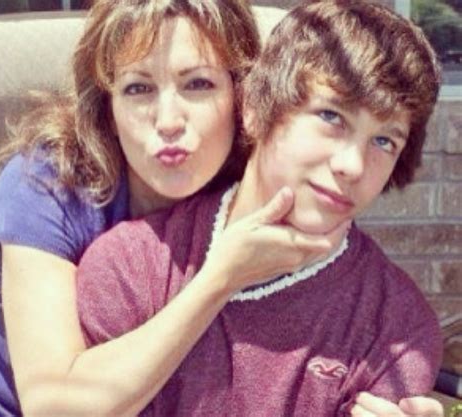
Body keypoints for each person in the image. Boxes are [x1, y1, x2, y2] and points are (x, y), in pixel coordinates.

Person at [76, 1, 445, 416]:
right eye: (331, 116)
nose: (353, 165)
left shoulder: (398, 329)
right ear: (254, 107)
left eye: (384, 141)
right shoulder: (129, 267)